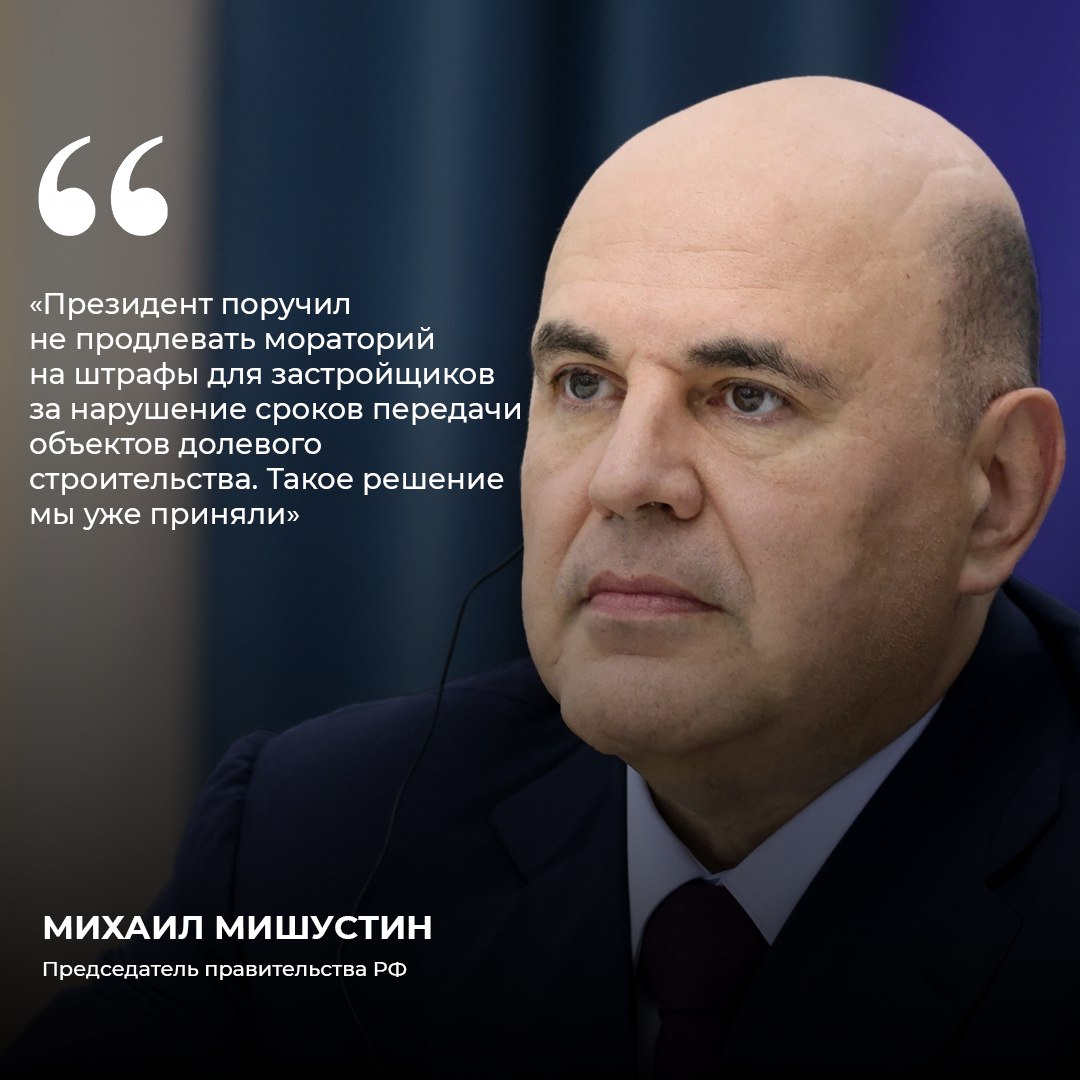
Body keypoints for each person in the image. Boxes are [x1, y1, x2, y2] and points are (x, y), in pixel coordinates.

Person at [7, 76, 1077, 1077]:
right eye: (584, 384)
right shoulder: (316, 834)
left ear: (996, 491)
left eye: (748, 396)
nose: (624, 479)